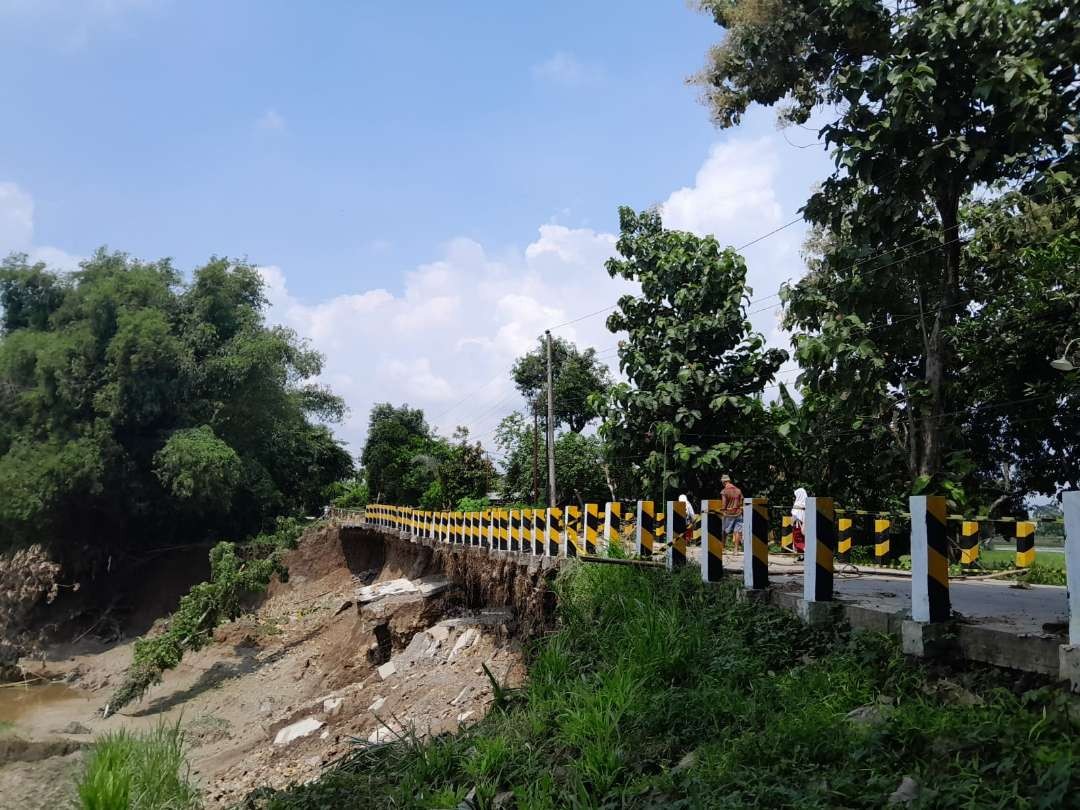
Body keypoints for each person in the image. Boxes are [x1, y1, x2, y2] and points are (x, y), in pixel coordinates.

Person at [720, 474, 743, 553]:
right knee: (737, 531)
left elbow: (724, 504)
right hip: (738, 513)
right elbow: (741, 501)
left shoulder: (724, 491)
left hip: (728, 513)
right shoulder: (738, 490)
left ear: (724, 482)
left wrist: (723, 511)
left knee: (724, 531)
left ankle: (723, 548)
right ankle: (736, 550)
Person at [791, 487, 807, 556]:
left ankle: (806, 551)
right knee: (802, 540)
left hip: (798, 525)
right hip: (804, 525)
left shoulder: (797, 504)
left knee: (798, 540)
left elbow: (794, 515)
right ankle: (801, 555)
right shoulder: (806, 504)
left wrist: (792, 522)